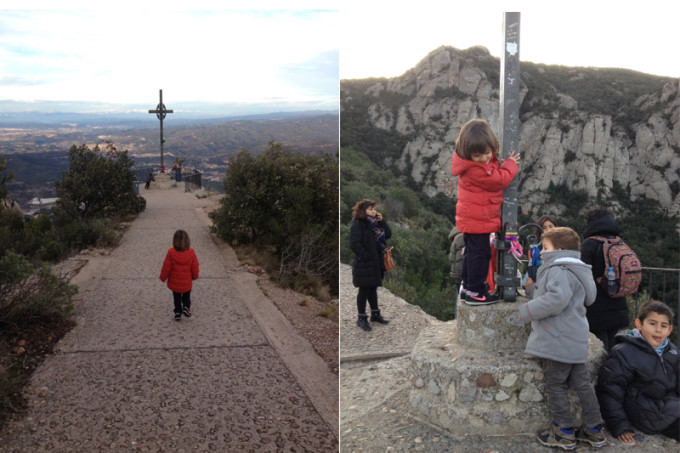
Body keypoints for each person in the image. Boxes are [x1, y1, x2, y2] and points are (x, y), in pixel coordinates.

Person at [517, 227, 606, 450]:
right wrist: (532, 291)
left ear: (560, 249)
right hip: (576, 337)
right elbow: (576, 295)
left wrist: (524, 312)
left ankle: (563, 431)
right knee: (582, 383)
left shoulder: (558, 269)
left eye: (545, 247)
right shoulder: (579, 269)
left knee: (555, 383)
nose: (542, 251)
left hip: (558, 338)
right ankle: (595, 429)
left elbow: (556, 299)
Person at [451, 118, 520, 304]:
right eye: (478, 155)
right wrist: (511, 164)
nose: (484, 159)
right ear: (467, 154)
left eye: (487, 153)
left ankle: (467, 287)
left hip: (472, 219)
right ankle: (475, 290)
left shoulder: (470, 164)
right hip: (477, 221)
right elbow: (500, 179)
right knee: (480, 255)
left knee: (472, 253)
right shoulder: (476, 170)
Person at [597, 300, 679, 445]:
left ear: (669, 330)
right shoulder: (624, 352)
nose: (658, 330)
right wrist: (620, 425)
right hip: (649, 413)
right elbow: (610, 391)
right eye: (652, 324)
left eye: (663, 326)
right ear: (639, 324)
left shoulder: (671, 351)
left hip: (671, 407)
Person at [580, 207, 629, 352]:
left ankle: (603, 374)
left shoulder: (590, 244)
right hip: (618, 303)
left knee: (600, 350)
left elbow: (581, 274)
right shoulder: (619, 242)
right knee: (613, 348)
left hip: (597, 309)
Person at [349, 198, 391, 331]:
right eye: (370, 209)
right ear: (363, 211)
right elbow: (354, 244)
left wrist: (382, 220)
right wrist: (367, 257)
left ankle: (375, 314)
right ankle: (361, 318)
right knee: (364, 290)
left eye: (374, 209)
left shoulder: (375, 224)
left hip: (375, 262)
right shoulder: (358, 224)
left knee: (373, 288)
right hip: (364, 263)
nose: (374, 211)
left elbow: (388, 234)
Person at [160, 229, 199, 321]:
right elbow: (195, 266)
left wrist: (163, 277)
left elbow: (166, 267)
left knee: (176, 297)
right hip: (186, 280)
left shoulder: (171, 252)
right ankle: (186, 307)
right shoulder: (191, 252)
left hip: (175, 281)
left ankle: (177, 312)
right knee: (186, 296)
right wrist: (195, 276)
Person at [523, 215, 558, 297]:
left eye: (551, 226)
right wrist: (527, 282)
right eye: (544, 227)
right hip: (538, 284)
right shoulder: (535, 249)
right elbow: (530, 270)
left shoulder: (563, 246)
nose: (548, 230)